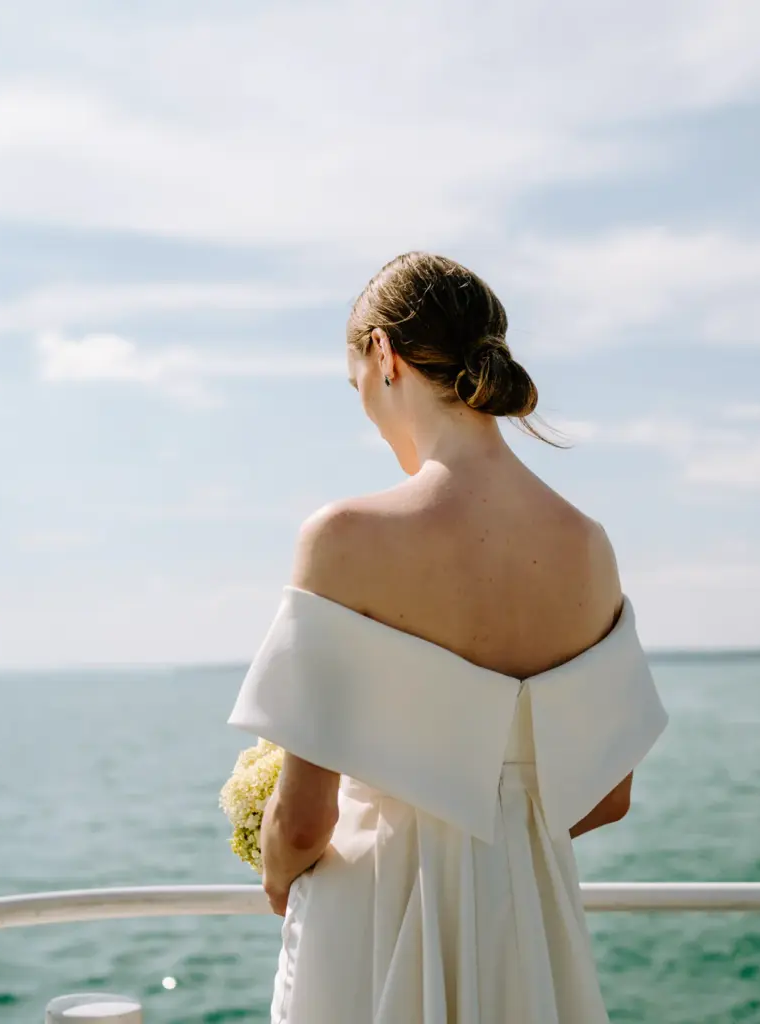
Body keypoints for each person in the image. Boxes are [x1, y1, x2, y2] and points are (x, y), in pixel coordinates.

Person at [228, 252, 667, 1023]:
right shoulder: (588, 546)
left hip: (376, 929)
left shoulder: (344, 537)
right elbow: (608, 795)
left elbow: (303, 823)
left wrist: (276, 868)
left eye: (356, 381)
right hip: (529, 931)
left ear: (383, 358)